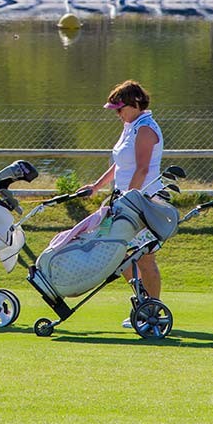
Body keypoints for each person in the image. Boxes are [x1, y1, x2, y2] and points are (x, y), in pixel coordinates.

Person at [80, 79, 165, 327]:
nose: (117, 114)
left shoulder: (145, 128)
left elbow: (142, 168)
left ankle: (153, 312)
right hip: (123, 199)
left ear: (136, 103)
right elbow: (120, 164)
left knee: (145, 258)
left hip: (143, 202)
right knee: (117, 254)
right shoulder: (130, 126)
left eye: (120, 108)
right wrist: (96, 186)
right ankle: (142, 302)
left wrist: (129, 200)